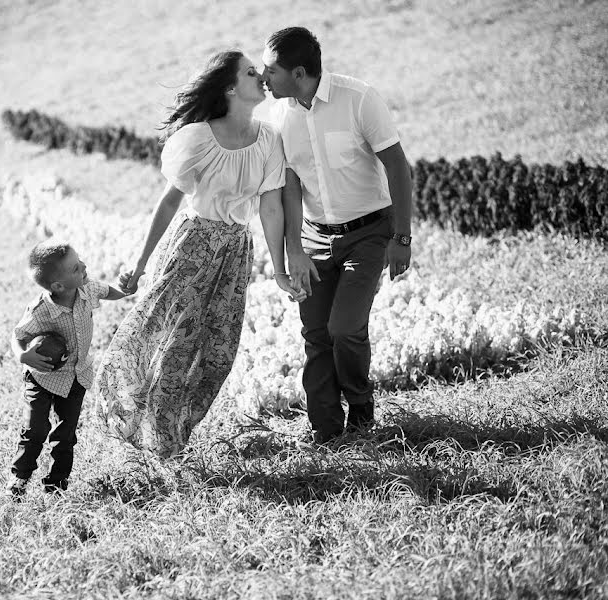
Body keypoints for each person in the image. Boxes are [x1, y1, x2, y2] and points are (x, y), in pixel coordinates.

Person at [95, 49, 302, 458]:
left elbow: (271, 206)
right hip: (193, 245)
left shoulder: (269, 139)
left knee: (219, 352)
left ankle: (169, 429)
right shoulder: (198, 138)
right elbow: (170, 202)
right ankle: (162, 441)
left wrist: (279, 269)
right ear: (229, 87)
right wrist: (139, 265)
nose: (260, 75)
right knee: (172, 341)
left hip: (236, 250)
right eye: (249, 72)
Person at [262, 26, 414, 444]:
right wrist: (295, 249)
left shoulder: (359, 98)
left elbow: (398, 167)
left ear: (298, 72)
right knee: (315, 332)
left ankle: (361, 411)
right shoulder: (279, 116)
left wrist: (402, 238)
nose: (263, 77)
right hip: (314, 237)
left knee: (344, 327)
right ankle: (325, 430)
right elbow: (289, 186)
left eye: (269, 69)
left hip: (369, 233)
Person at [9, 240, 127, 497]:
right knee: (35, 431)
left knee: (65, 435)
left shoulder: (87, 289)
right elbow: (18, 335)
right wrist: (23, 356)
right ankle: (18, 480)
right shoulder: (41, 310)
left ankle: (56, 485)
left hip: (76, 376)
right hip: (42, 378)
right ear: (58, 286)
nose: (84, 266)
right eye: (75, 268)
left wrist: (125, 289)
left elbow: (109, 290)